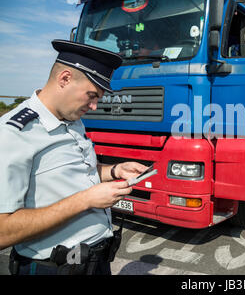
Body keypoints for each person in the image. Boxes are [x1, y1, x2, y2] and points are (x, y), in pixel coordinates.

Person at [0, 40, 149, 275]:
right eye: (91, 95)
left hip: (94, 260)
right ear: (65, 78)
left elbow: (78, 171)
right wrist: (86, 200)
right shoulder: (13, 133)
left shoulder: (72, 119)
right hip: (54, 267)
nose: (93, 106)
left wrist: (114, 171)